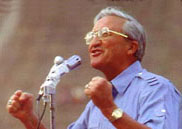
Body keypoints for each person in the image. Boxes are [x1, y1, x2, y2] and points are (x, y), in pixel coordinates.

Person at [6, 7, 182, 129]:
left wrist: (109, 109)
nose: (94, 43)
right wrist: (29, 119)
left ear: (131, 47)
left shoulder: (157, 89)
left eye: (104, 34)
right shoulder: (96, 104)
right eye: (91, 36)